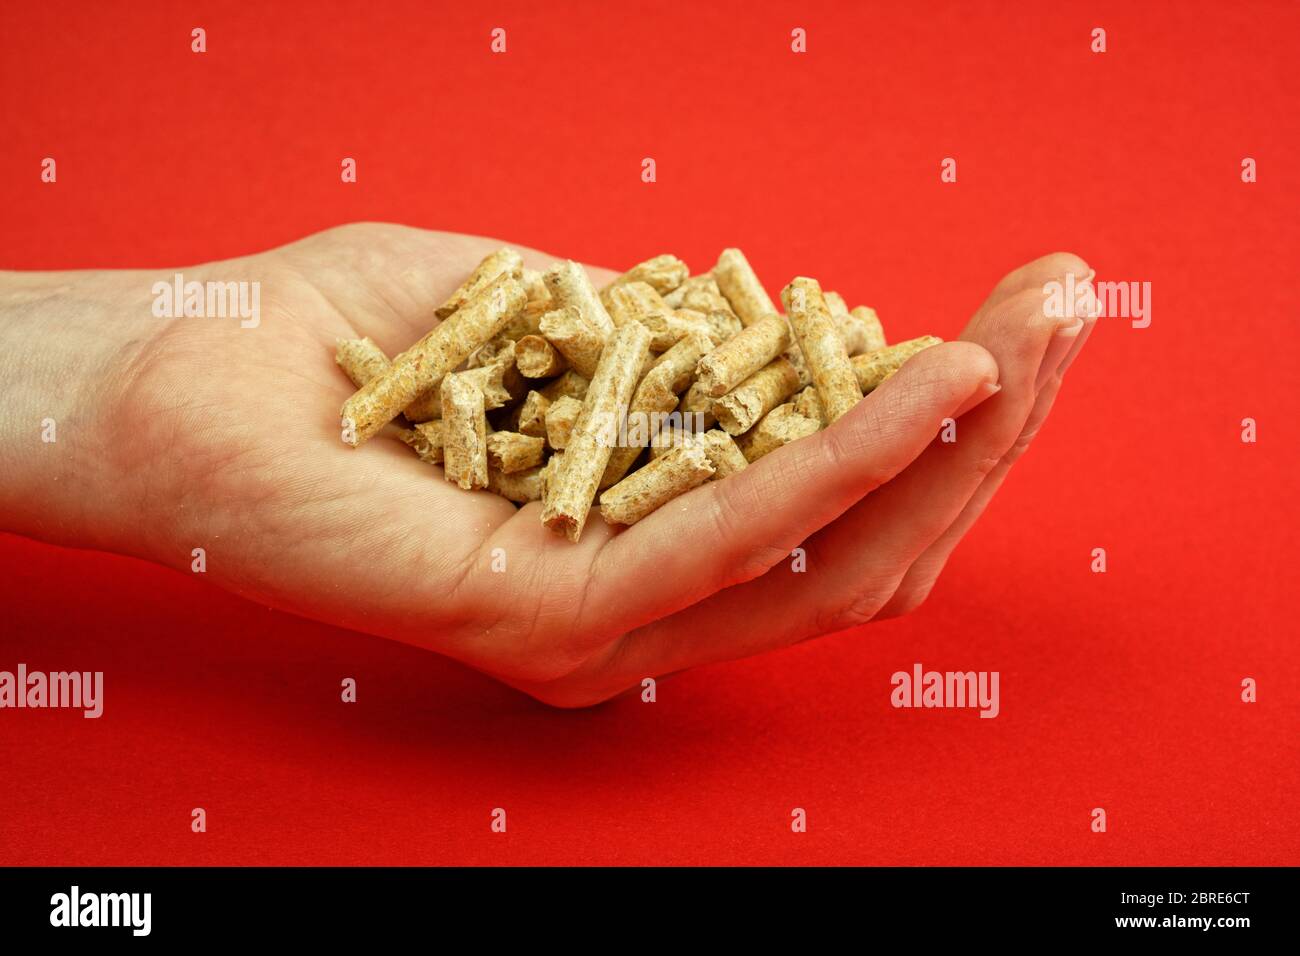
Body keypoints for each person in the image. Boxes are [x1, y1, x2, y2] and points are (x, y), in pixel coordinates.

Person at [0, 224, 1095, 706]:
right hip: (561, 430)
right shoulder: (533, 364)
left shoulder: (683, 355)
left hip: (606, 432)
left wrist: (110, 364)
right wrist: (115, 377)